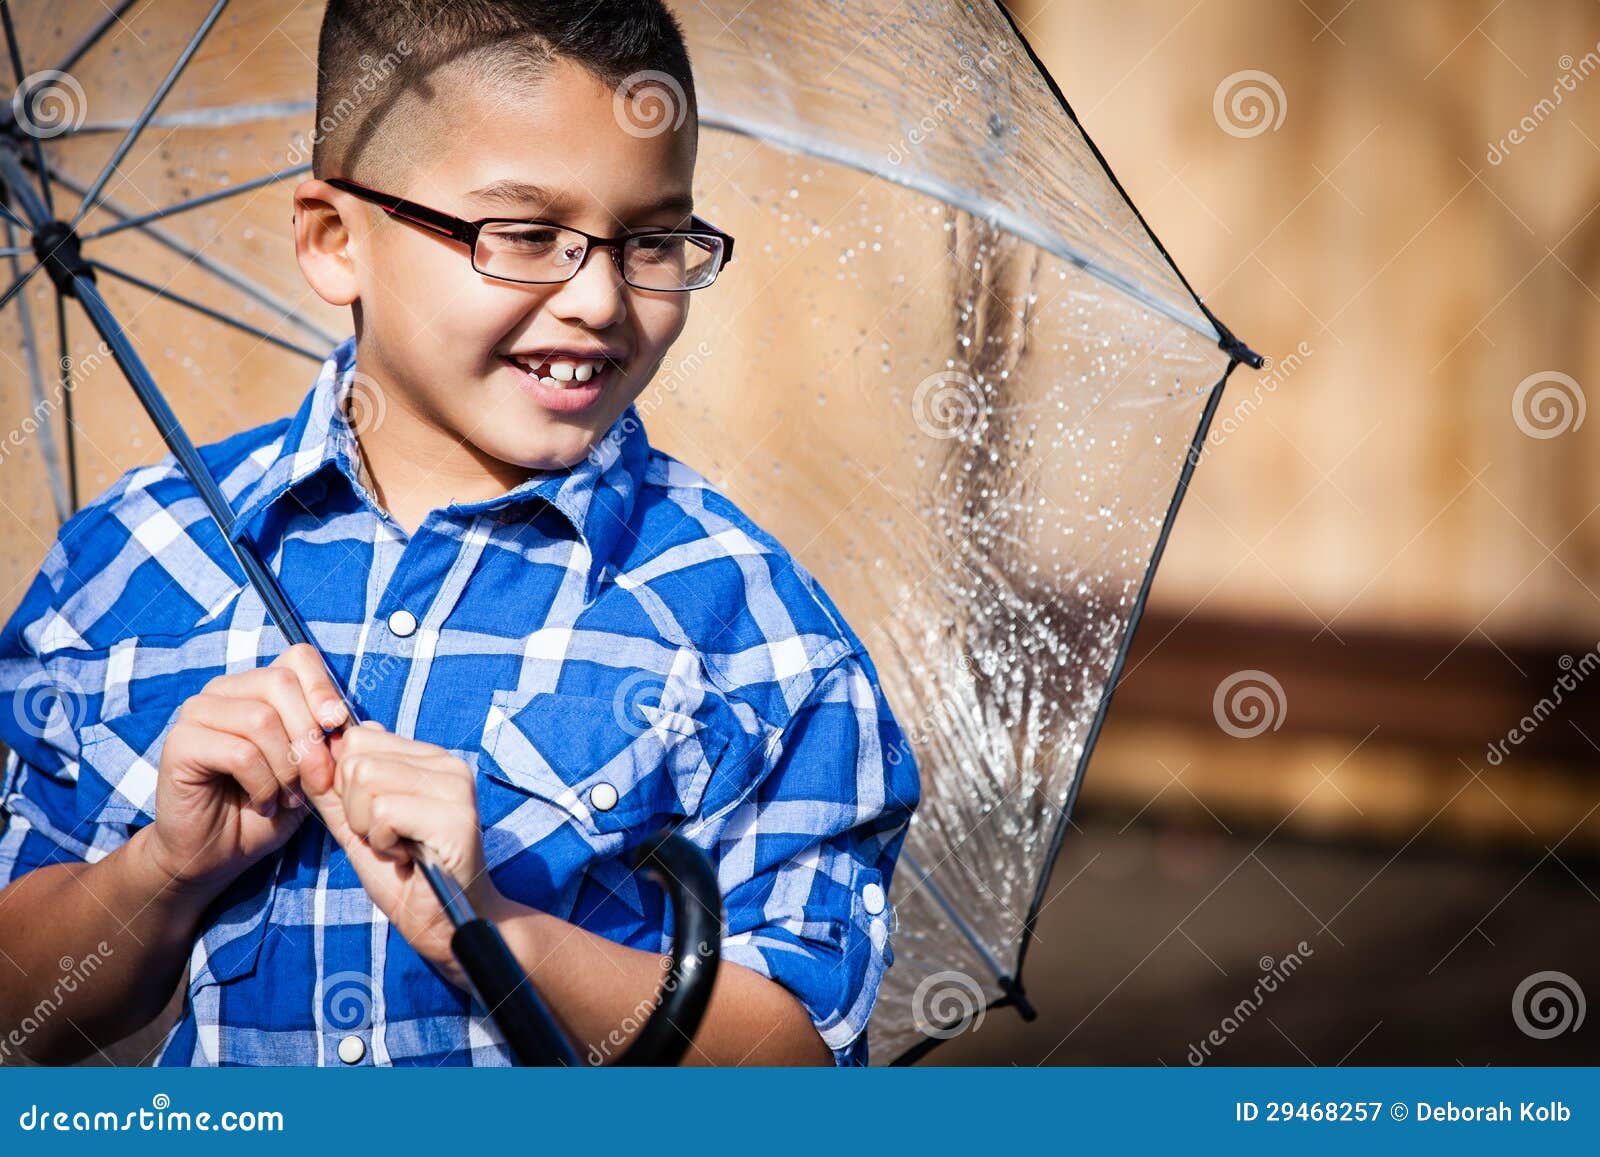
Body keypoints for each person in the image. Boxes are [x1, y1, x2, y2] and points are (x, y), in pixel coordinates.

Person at [0, 0, 919, 1067]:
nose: (597, 299)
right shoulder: (139, 556)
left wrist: (494, 928)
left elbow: (796, 1070)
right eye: (525, 235)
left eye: (653, 239)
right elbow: (26, 1010)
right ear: (334, 238)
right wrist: (164, 867)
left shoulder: (748, 625)